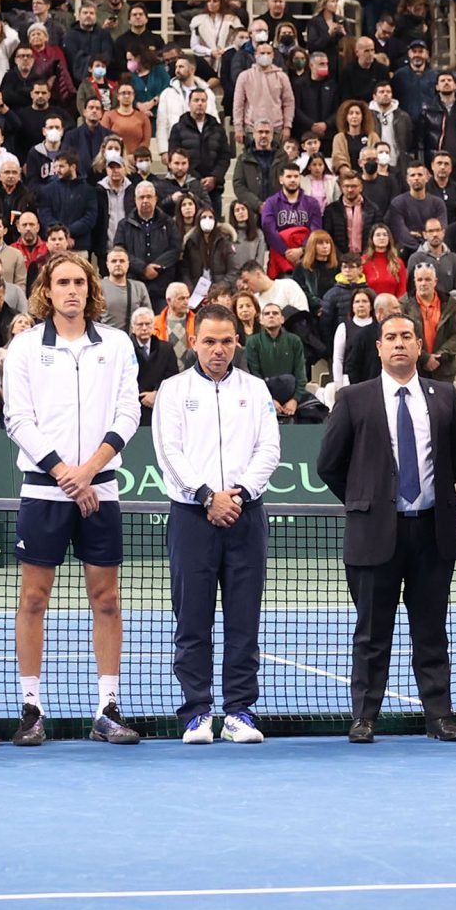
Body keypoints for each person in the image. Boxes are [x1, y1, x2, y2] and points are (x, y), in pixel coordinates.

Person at [3, 249, 142, 745]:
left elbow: (128, 413)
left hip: (99, 488)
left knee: (107, 600)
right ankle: (30, 708)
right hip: (45, 490)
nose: (71, 290)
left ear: (90, 289)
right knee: (33, 599)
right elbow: (17, 419)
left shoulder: (118, 344)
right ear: (47, 289)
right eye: (62, 282)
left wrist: (88, 473)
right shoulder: (23, 348)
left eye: (79, 283)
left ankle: (106, 707)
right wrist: (65, 474)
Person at [315, 310, 456, 744]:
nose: (400, 342)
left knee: (432, 629)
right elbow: (328, 464)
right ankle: (365, 717)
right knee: (370, 632)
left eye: (408, 336)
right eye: (391, 337)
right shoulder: (355, 398)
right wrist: (365, 500)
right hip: (374, 534)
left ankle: (439, 716)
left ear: (419, 347)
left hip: (432, 533)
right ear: (379, 347)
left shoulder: (444, 396)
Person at [153, 301, 280, 745]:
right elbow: (169, 452)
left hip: (246, 518)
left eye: (226, 341)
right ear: (193, 343)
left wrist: (238, 495)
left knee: (244, 621)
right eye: (209, 341)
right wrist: (208, 496)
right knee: (192, 621)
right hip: (192, 518)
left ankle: (240, 712)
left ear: (237, 343)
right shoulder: (172, 390)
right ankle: (197, 713)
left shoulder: (257, 390)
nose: (218, 349)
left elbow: (269, 449)